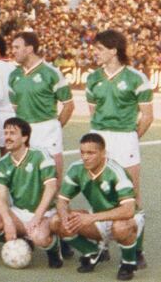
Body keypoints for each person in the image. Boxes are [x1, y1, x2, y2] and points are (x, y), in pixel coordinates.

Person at [87, 29, 153, 267]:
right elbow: (94, 113)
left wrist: (131, 138)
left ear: (113, 50)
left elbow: (146, 117)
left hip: (125, 139)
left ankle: (137, 249)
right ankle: (101, 245)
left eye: (99, 49)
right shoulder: (92, 78)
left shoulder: (136, 78)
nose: (95, 53)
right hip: (100, 138)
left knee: (132, 196)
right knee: (99, 193)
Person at [51, 133, 144, 280]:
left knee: (120, 228)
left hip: (127, 218)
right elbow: (62, 200)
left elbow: (129, 210)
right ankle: (93, 252)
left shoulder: (115, 171)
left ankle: (127, 263)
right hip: (99, 216)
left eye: (91, 153)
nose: (85, 157)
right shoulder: (76, 169)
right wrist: (64, 217)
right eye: (82, 152)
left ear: (103, 153)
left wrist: (91, 217)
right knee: (56, 221)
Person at [0, 117, 62, 267]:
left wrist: (37, 217)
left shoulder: (40, 156)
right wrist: (8, 221)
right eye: (5, 133)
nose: (7, 137)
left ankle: (55, 247)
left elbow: (51, 189)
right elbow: (0, 196)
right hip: (18, 212)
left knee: (39, 238)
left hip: (44, 213)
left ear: (24, 137)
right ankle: (23, 239)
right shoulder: (3, 162)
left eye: (12, 133)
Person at [9, 31, 73, 181]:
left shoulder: (51, 73)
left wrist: (55, 126)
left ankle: (55, 201)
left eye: (16, 47)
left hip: (47, 128)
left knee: (52, 173)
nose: (13, 51)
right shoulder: (14, 75)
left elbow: (69, 105)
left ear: (29, 49)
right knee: (27, 173)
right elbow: (15, 107)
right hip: (24, 130)